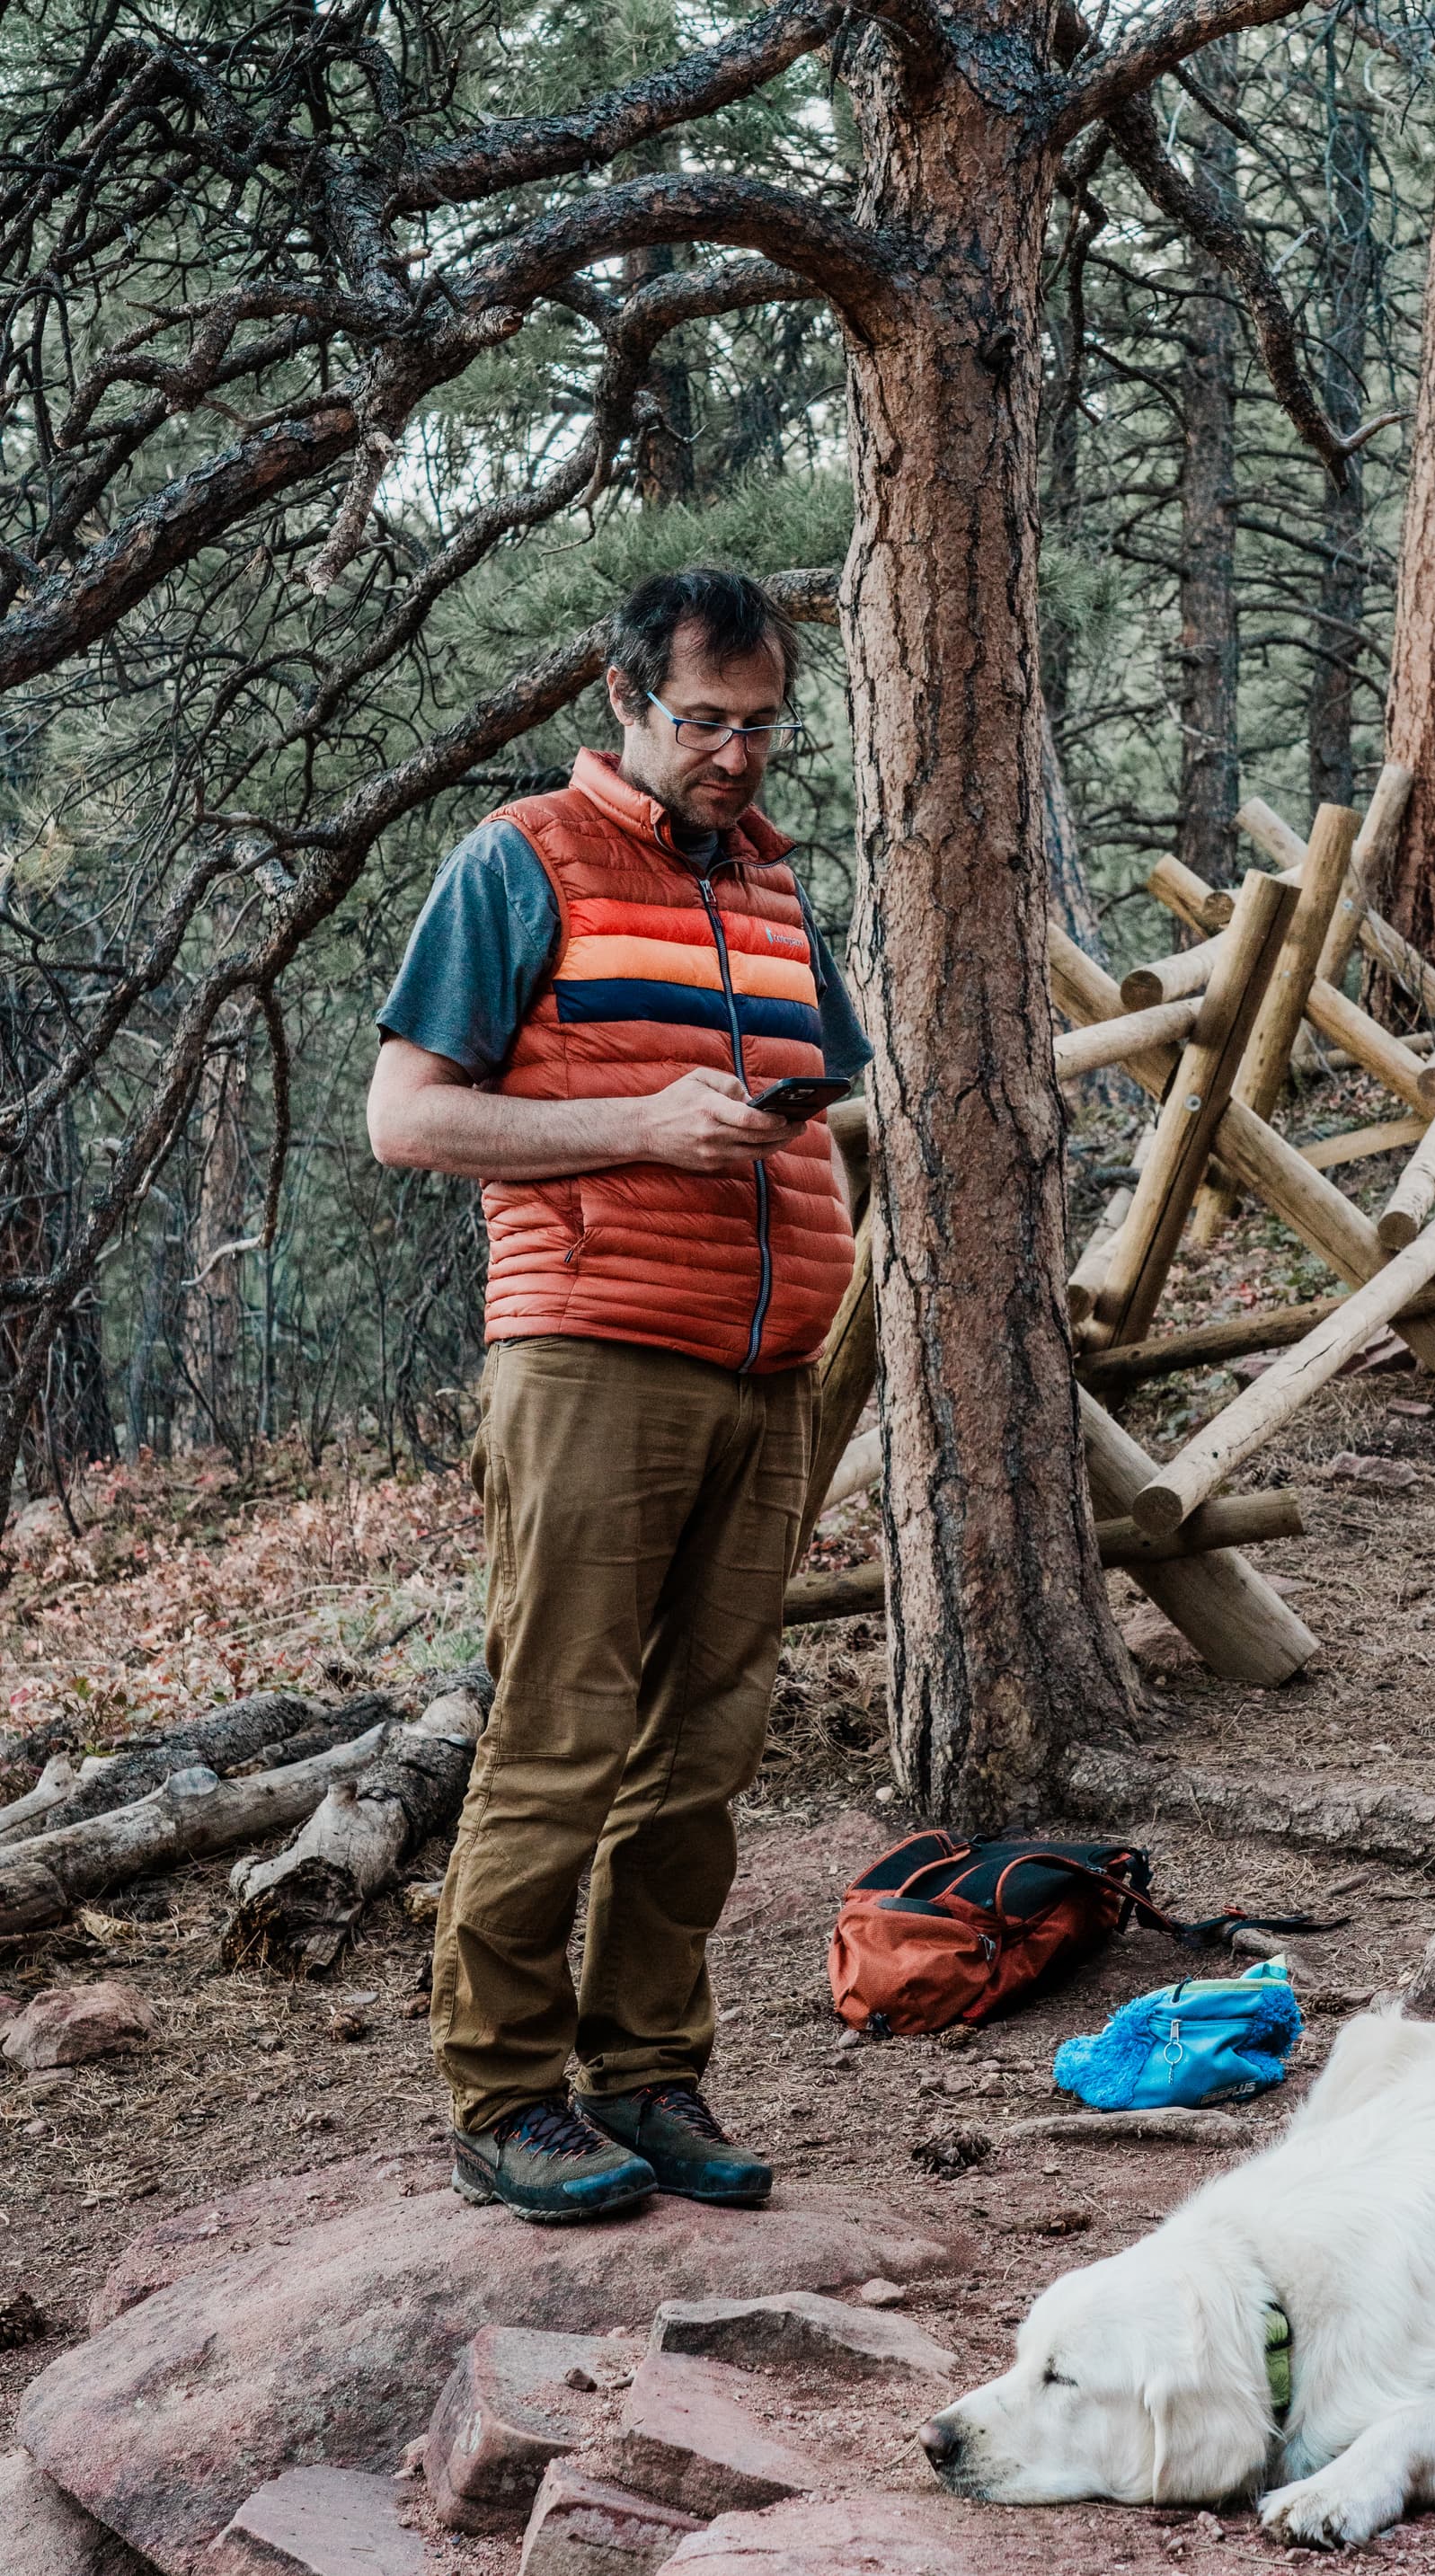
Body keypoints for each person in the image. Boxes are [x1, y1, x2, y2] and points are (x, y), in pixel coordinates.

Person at [368, 567, 868, 2224]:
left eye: (763, 724)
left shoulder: (780, 893)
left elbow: (836, 1100)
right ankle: (504, 2097)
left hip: (765, 1370)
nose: (736, 754)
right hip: (589, 1355)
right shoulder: (521, 863)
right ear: (624, 703)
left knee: (707, 1747)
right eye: (704, 720)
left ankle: (646, 2073)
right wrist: (644, 1130)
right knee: (560, 1732)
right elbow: (410, 1119)